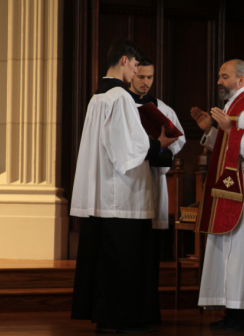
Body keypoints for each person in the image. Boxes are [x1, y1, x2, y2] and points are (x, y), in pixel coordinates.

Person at [70, 38, 175, 333]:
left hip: (104, 192)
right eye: (136, 66)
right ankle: (118, 317)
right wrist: (160, 145)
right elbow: (129, 149)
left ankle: (107, 316)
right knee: (120, 260)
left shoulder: (98, 97)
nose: (137, 73)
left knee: (107, 259)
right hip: (122, 194)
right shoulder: (119, 97)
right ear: (126, 61)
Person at [190, 59, 244, 331]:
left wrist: (228, 130)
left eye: (224, 76)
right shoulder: (231, 106)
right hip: (230, 184)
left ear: (241, 80)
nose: (219, 82)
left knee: (243, 249)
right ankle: (233, 309)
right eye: (219, 76)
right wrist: (210, 132)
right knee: (229, 250)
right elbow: (228, 149)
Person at [126, 57, 185, 322]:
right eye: (141, 77)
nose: (146, 82)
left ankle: (149, 309)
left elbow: (177, 141)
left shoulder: (163, 109)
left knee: (150, 254)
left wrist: (159, 147)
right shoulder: (121, 104)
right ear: (132, 74)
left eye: (150, 77)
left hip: (153, 182)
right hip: (128, 185)